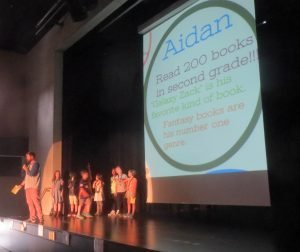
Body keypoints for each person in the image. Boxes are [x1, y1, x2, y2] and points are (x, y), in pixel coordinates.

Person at [19, 152, 43, 224]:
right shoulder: (29, 165)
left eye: (28, 157)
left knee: (36, 202)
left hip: (33, 186)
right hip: (27, 187)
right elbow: (27, 177)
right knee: (29, 203)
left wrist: (26, 169)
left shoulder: (36, 164)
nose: (26, 158)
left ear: (32, 157)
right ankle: (32, 217)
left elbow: (32, 174)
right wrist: (21, 185)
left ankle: (41, 218)